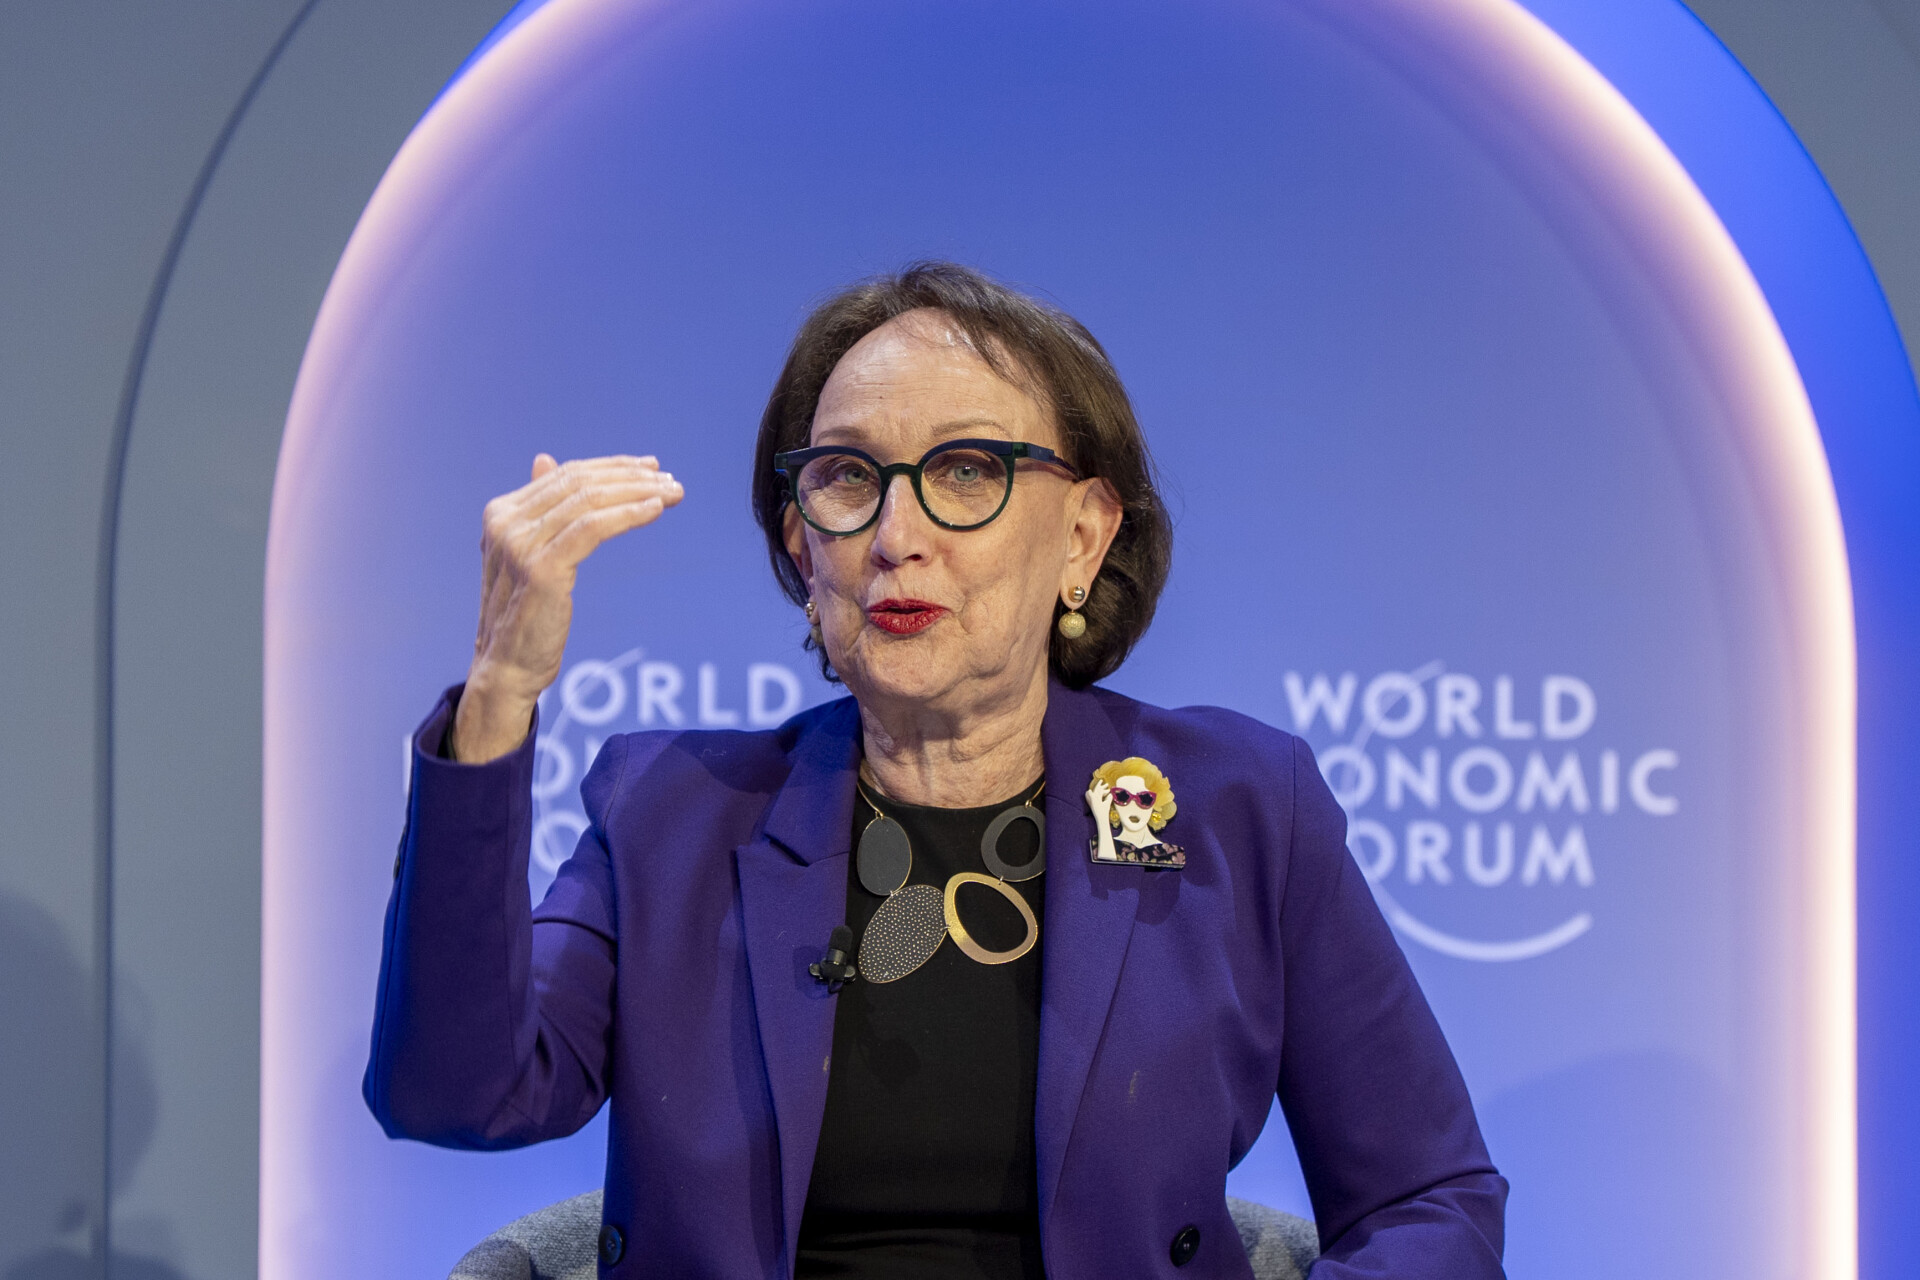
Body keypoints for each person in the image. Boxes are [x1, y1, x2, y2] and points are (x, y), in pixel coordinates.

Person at [365, 263, 1507, 1279]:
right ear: (802, 545)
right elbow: (454, 1088)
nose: (895, 534)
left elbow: (1431, 1199)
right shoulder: (669, 813)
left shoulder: (1242, 808)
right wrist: (499, 692)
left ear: (1084, 535)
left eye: (965, 471)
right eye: (847, 477)